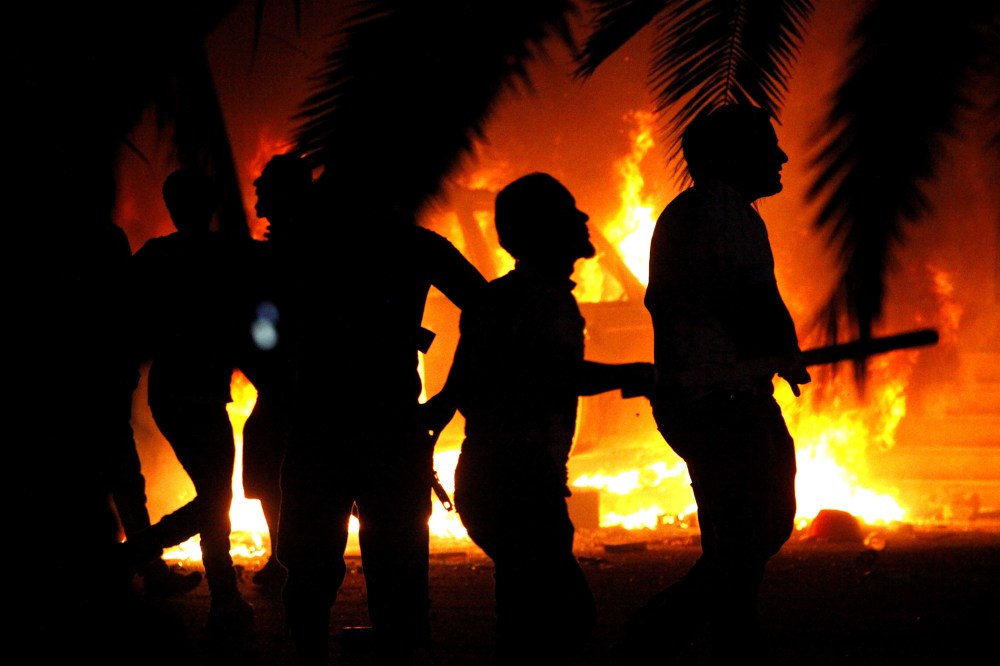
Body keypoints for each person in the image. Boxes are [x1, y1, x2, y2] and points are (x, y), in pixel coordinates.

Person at [423, 172, 656, 664]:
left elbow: (461, 382)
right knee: (566, 615)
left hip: (496, 478)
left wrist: (434, 419)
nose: (584, 218)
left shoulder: (500, 299)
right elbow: (551, 373)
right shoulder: (539, 301)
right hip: (519, 482)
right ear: (543, 230)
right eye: (568, 211)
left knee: (526, 614)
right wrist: (631, 373)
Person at [619, 103, 811, 663]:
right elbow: (752, 298)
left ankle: (733, 643)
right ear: (730, 156)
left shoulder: (686, 212)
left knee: (737, 536)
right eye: (765, 146)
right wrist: (781, 350)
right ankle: (652, 634)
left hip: (697, 399)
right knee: (758, 529)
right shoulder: (729, 212)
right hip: (725, 401)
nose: (779, 157)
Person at [276, 182, 488, 664]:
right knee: (393, 567)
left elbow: (262, 330)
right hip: (384, 428)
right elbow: (488, 310)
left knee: (315, 569)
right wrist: (447, 400)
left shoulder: (307, 247)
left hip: (327, 427)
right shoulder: (414, 245)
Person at [124, 167, 254, 638]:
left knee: (214, 494)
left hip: (172, 391)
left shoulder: (156, 256)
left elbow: (125, 307)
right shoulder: (230, 252)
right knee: (216, 496)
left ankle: (225, 597)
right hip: (199, 393)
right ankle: (137, 557)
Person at [238, 152, 315, 591]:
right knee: (270, 470)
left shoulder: (299, 253)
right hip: (281, 382)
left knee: (282, 471)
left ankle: (292, 558)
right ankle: (285, 556)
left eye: (267, 187)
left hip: (299, 382)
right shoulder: (276, 252)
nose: (258, 194)